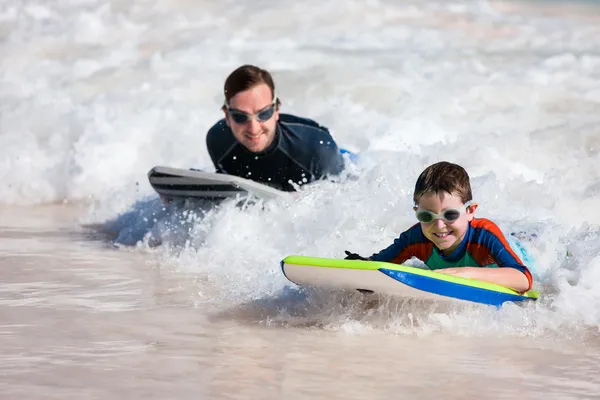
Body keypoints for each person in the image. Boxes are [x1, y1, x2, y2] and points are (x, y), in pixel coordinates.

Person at [344, 161, 533, 293]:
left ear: (470, 211)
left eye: (450, 214)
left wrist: (467, 273)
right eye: (426, 216)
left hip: (524, 256)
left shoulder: (484, 235)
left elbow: (524, 279)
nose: (439, 226)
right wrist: (359, 268)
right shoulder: (416, 237)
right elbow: (380, 265)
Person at [206, 65, 345, 192]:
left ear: (276, 109)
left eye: (264, 114)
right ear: (227, 116)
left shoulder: (317, 150)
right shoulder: (218, 140)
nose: (253, 129)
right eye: (240, 117)